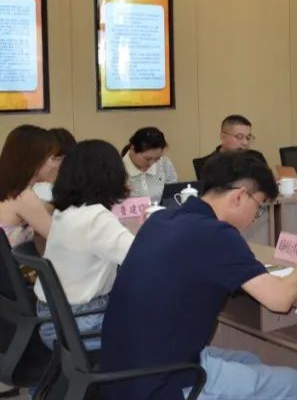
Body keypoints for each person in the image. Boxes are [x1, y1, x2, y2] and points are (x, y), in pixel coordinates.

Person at [101, 152, 297, 400]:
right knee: (291, 387)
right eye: (258, 207)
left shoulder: (162, 219)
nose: (255, 218)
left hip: (117, 372)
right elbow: (280, 300)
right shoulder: (217, 234)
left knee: (250, 362)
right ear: (240, 196)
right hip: (159, 385)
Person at [35, 140, 134, 351]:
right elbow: (141, 258)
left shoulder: (66, 211)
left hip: (52, 318)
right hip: (84, 322)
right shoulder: (96, 218)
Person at [0, 125, 56, 247]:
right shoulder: (24, 196)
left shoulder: (11, 192)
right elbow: (58, 237)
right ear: (35, 160)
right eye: (51, 158)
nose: (53, 165)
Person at [193, 115, 268, 179]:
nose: (245, 143)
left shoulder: (256, 158)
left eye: (248, 138)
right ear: (223, 137)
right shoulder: (204, 164)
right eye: (239, 137)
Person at [122, 127, 178, 204]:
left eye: (157, 159)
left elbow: (171, 193)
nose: (151, 163)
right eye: (147, 159)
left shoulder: (163, 162)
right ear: (133, 149)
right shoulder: (118, 169)